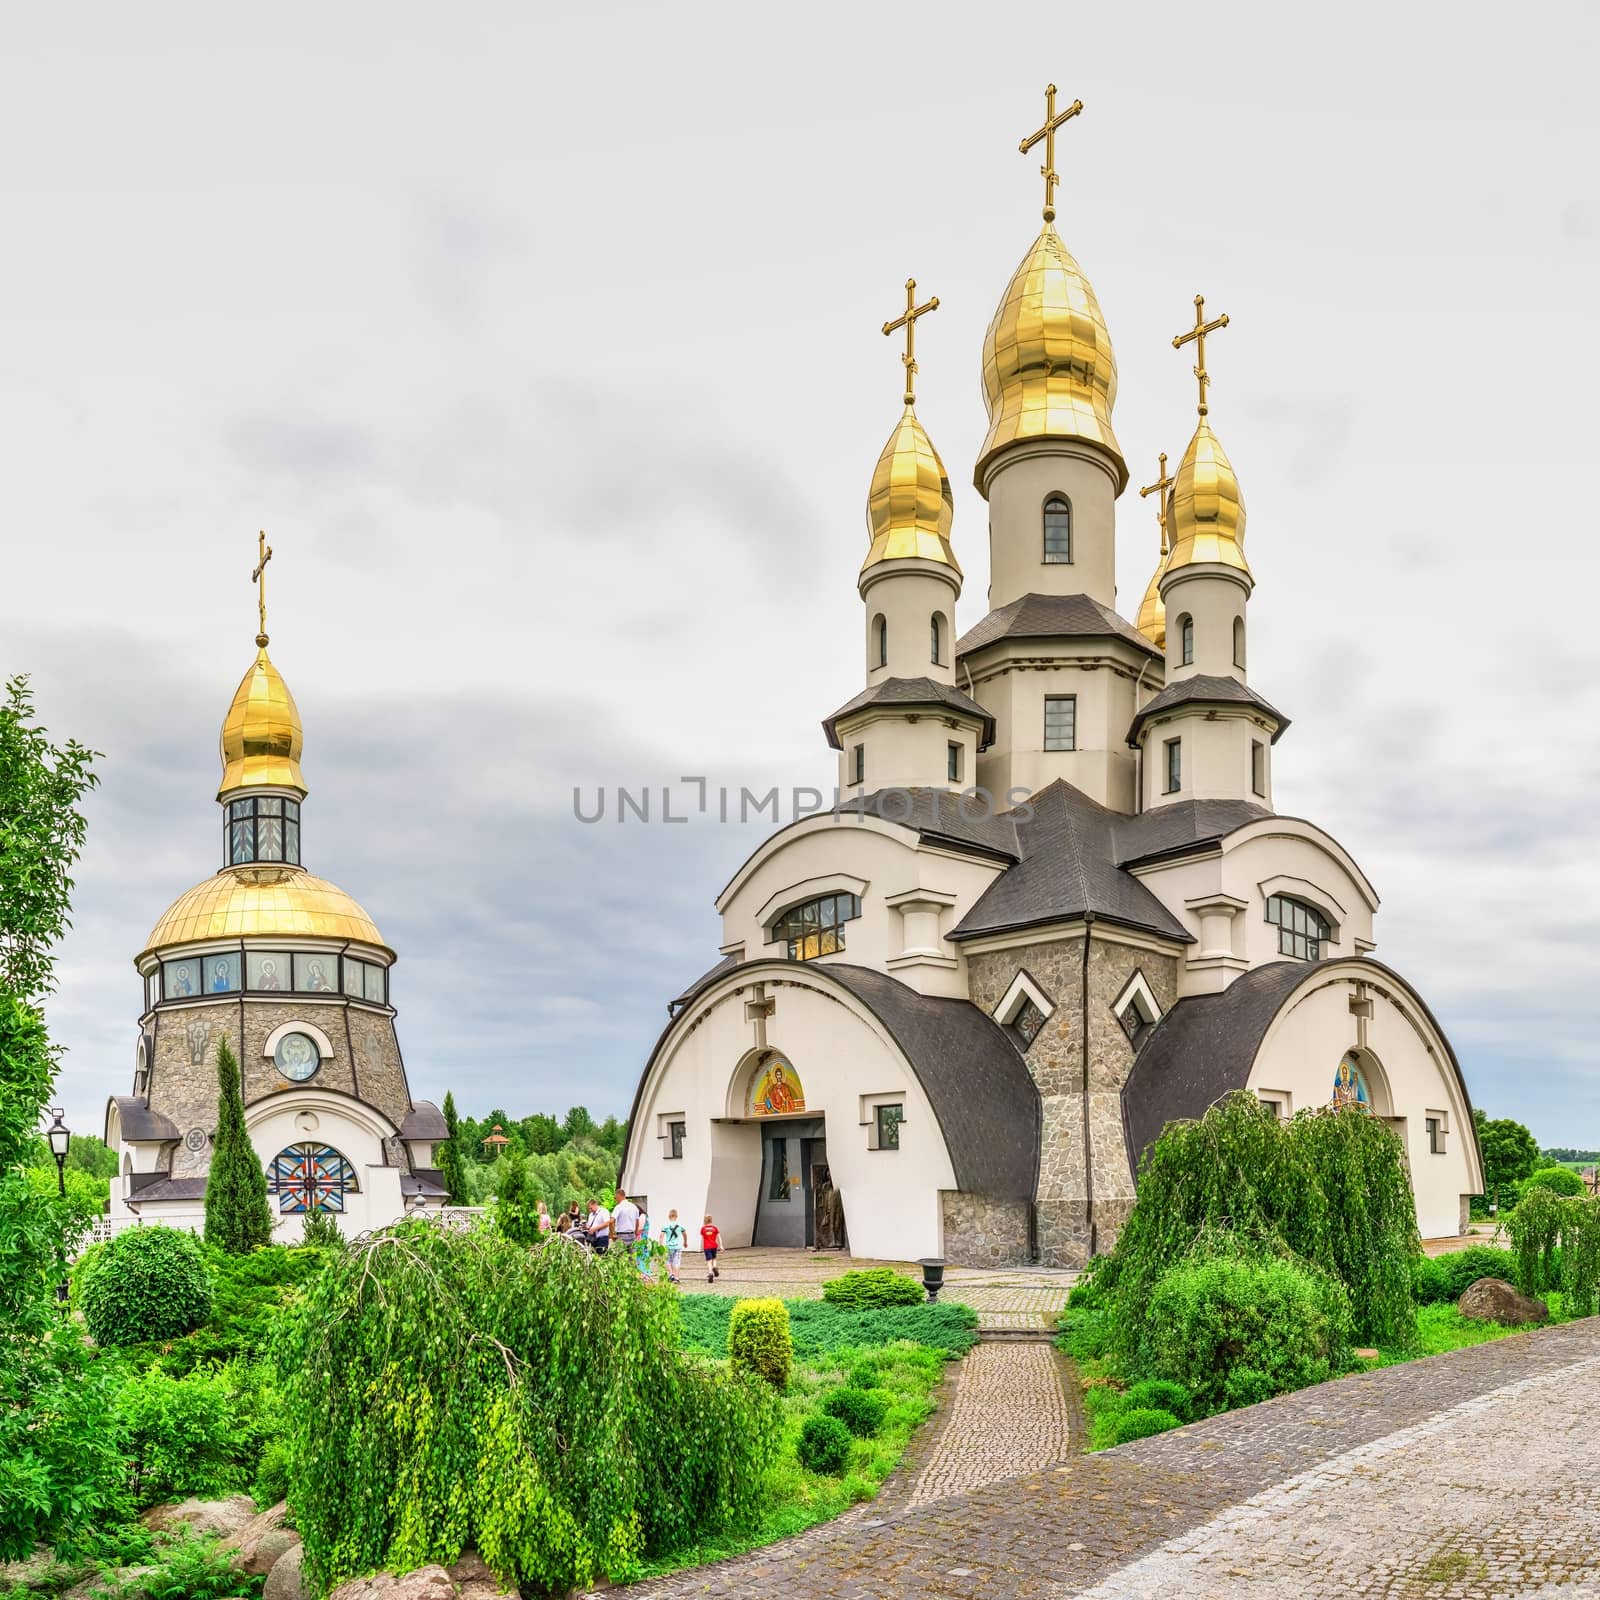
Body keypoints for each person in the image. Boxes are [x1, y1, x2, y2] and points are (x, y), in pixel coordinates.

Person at [660, 1209, 687, 1285]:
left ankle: (671, 1274)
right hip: (678, 1247)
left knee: (667, 1261)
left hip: (668, 1247)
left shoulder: (665, 1225)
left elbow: (661, 1236)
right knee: (677, 1262)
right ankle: (677, 1278)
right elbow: (685, 1234)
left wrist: (660, 1245)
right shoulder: (680, 1225)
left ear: (669, 1216)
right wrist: (685, 1242)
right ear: (676, 1216)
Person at [612, 1188, 641, 1252]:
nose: (615, 1200)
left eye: (615, 1198)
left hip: (621, 1235)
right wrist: (635, 1233)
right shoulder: (634, 1207)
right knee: (632, 1258)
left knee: (620, 1257)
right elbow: (637, 1222)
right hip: (632, 1235)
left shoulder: (619, 1207)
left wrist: (613, 1234)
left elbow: (612, 1220)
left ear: (619, 1196)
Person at [700, 1215, 722, 1283]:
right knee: (714, 1258)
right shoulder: (715, 1228)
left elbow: (702, 1236)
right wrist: (721, 1246)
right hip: (714, 1246)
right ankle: (714, 1267)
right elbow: (719, 1237)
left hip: (707, 1247)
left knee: (709, 1261)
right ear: (711, 1220)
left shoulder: (703, 1229)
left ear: (705, 1220)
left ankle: (710, 1273)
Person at [633, 1205, 652, 1276]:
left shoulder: (642, 1216)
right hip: (642, 1240)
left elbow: (640, 1229)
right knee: (642, 1256)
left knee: (641, 1256)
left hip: (641, 1240)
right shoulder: (643, 1216)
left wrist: (634, 1233)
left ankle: (643, 1273)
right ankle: (643, 1273)